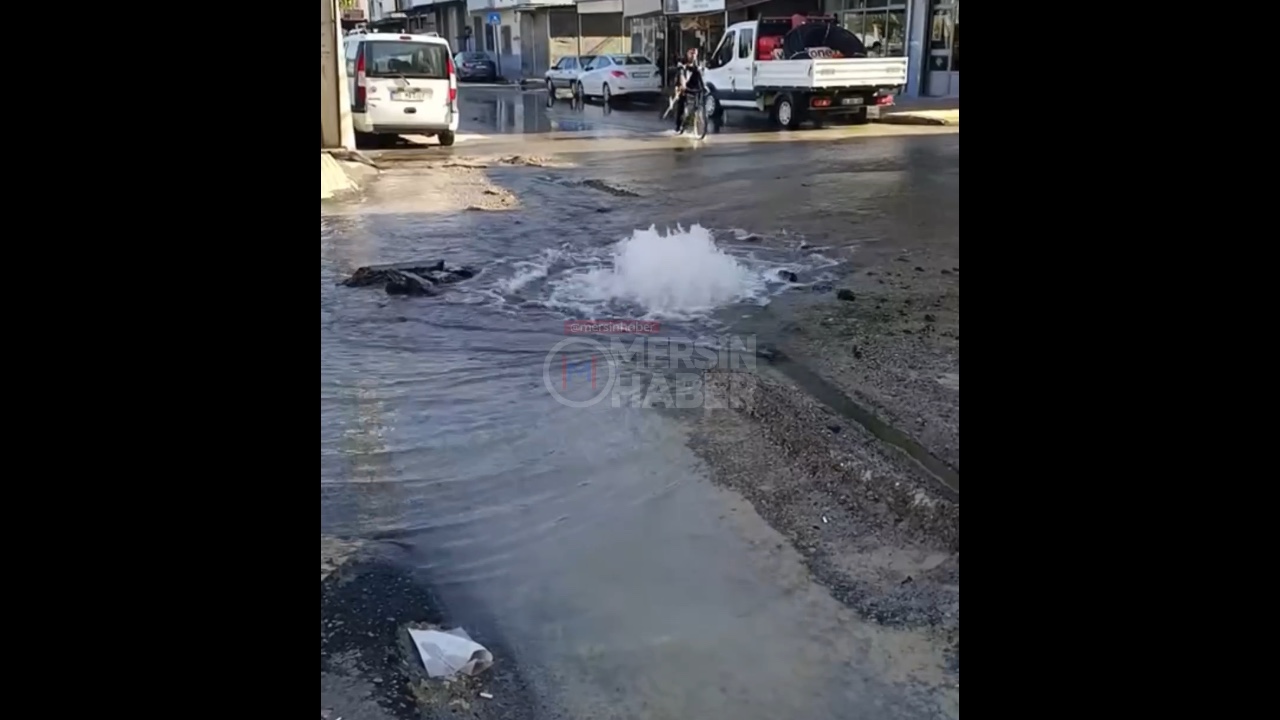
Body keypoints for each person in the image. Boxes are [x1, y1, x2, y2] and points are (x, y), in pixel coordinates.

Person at [672, 47, 705, 133]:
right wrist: (682, 86)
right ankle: (678, 126)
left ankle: (696, 120)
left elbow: (700, 74)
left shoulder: (697, 64)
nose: (693, 56)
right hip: (682, 85)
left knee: (698, 74)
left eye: (695, 54)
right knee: (682, 105)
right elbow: (681, 73)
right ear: (687, 54)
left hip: (692, 85)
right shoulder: (682, 63)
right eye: (691, 53)